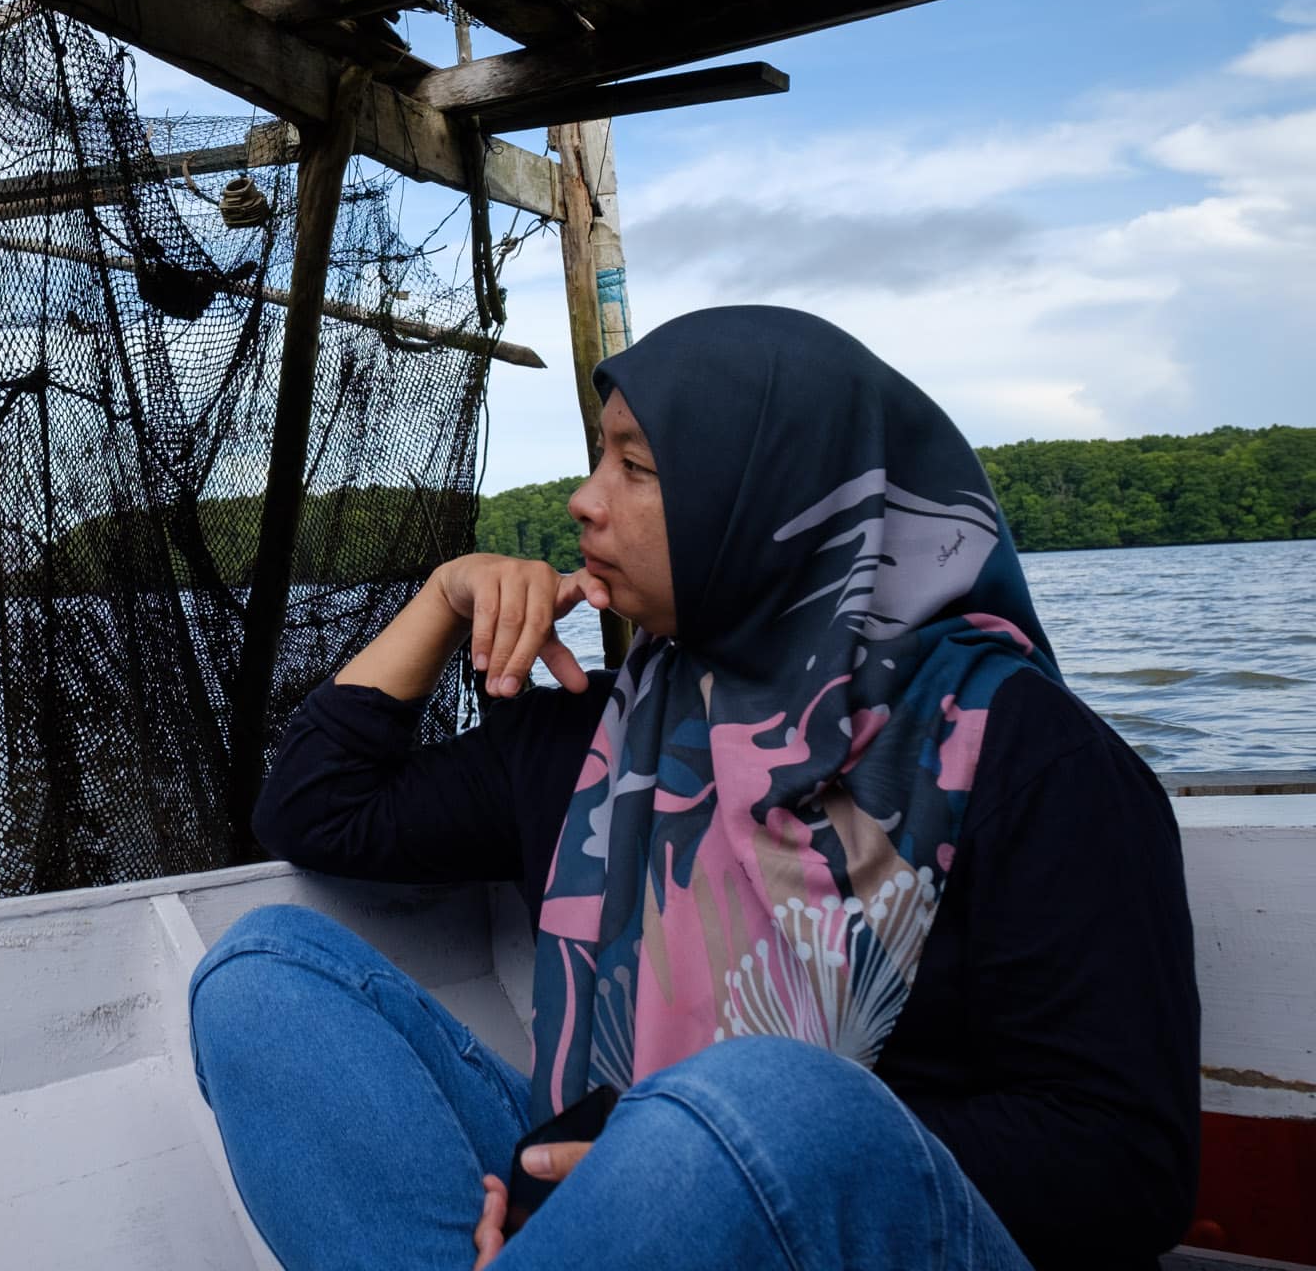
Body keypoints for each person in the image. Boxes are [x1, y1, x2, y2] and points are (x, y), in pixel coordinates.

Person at [188, 306, 1199, 1271]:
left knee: (754, 1099)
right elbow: (315, 808)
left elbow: (1123, 1164)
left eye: (636, 467)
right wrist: (442, 598)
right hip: (582, 1196)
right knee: (265, 974)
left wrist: (691, 1157)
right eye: (597, 459)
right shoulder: (594, 739)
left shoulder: (1030, 757)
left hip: (871, 1234)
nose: (585, 497)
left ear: (776, 502)